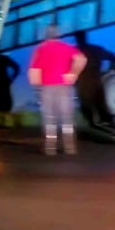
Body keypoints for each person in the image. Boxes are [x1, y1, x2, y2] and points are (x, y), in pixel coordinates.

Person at [28, 25, 87, 155]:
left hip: (47, 87)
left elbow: (34, 70)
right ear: (59, 35)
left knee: (49, 118)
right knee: (66, 117)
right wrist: (73, 73)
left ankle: (50, 148)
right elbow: (82, 59)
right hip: (64, 87)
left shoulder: (41, 49)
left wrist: (36, 86)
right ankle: (70, 147)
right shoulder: (67, 47)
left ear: (46, 35)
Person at [0, 54, 20, 127]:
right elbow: (16, 67)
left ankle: (1, 120)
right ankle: (4, 120)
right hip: (3, 82)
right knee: (3, 99)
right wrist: (12, 77)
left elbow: (16, 67)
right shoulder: (3, 58)